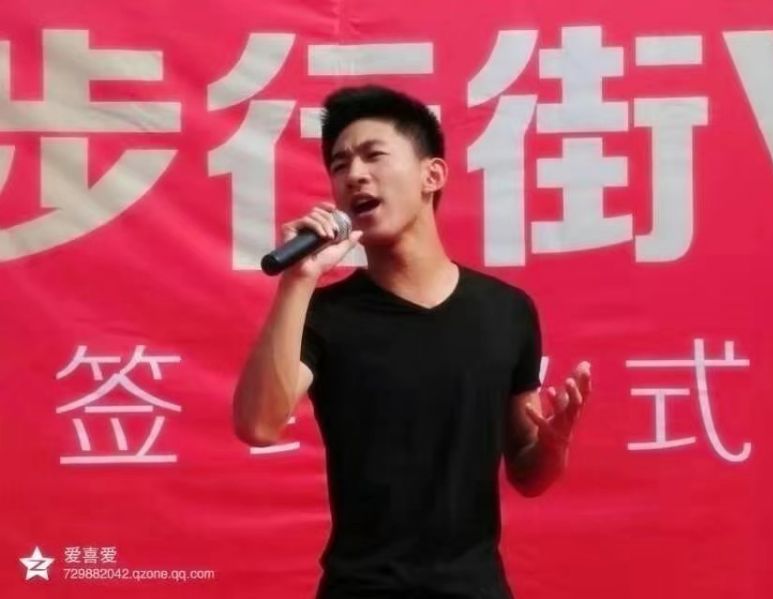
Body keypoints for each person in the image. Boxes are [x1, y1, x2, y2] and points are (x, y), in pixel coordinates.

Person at [232, 85, 591, 599]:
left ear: (432, 175)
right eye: (339, 165)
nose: (355, 175)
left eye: (374, 155)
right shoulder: (323, 315)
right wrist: (298, 281)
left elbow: (528, 474)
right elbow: (258, 425)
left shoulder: (507, 311)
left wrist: (554, 447)